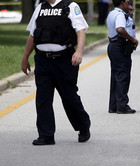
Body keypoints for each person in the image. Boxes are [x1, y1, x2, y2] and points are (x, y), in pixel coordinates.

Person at [21, 0, 91, 145]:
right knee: (43, 98)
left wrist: (79, 51)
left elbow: (81, 31)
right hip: (43, 60)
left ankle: (83, 125)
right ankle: (46, 135)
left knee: (69, 97)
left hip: (65, 61)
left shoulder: (70, 6)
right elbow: (33, 35)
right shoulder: (40, 7)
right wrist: (25, 57)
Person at [106, 0, 138, 114]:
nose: (130, 5)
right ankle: (122, 106)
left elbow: (126, 26)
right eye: (128, 2)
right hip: (120, 46)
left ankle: (114, 105)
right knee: (123, 76)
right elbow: (120, 29)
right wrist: (133, 39)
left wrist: (130, 15)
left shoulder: (113, 13)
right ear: (122, 3)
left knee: (116, 76)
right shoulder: (120, 15)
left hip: (114, 46)